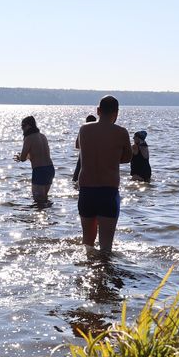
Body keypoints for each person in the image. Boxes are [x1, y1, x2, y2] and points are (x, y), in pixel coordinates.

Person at [77, 96, 132, 254]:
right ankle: (104, 275)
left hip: (87, 191)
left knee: (87, 243)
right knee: (106, 248)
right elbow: (127, 158)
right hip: (108, 192)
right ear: (116, 113)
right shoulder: (121, 132)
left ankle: (88, 273)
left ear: (98, 111)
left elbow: (81, 149)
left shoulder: (84, 129)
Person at [13, 116, 55, 203]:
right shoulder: (43, 136)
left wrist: (19, 157)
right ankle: (51, 216)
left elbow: (23, 158)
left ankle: (40, 216)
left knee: (38, 201)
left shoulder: (29, 138)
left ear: (28, 126)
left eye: (23, 126)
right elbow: (41, 154)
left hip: (39, 170)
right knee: (45, 199)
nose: (22, 129)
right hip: (50, 169)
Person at [72, 115, 97, 182]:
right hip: (95, 158)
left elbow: (77, 145)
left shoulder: (83, 130)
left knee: (76, 179)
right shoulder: (98, 132)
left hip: (83, 156)